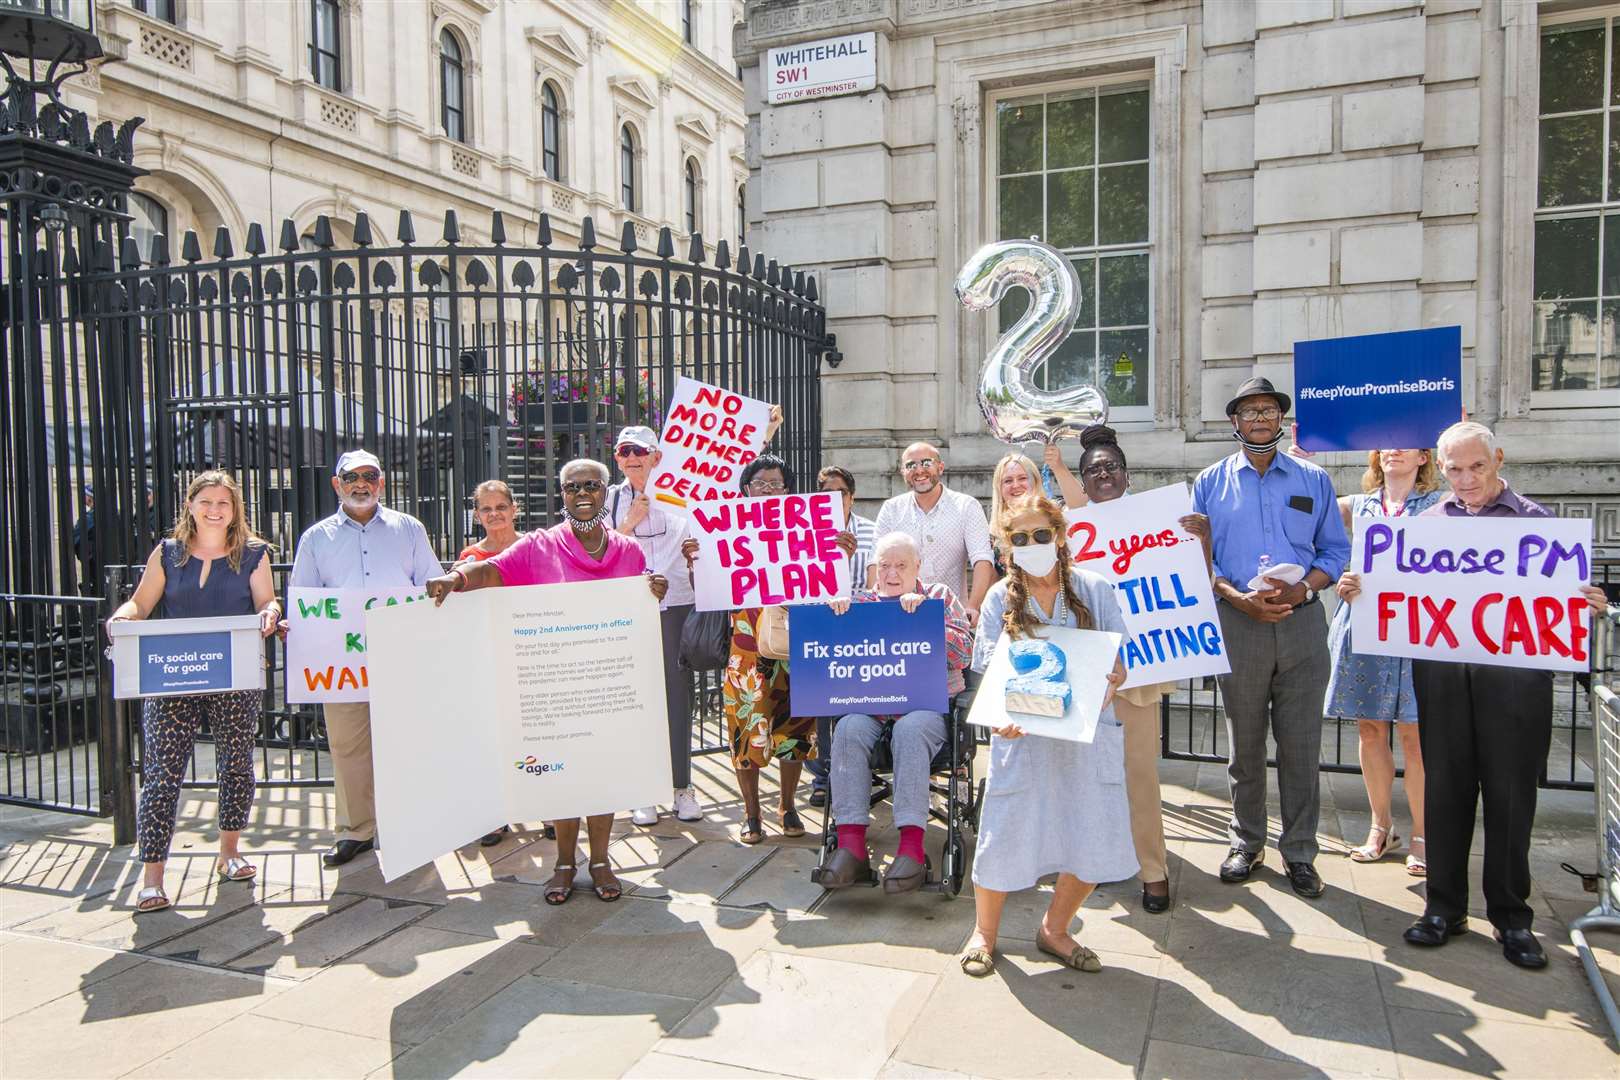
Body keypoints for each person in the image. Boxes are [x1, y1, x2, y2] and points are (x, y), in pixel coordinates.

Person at [1339, 422, 1610, 968]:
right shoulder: (1429, 524)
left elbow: (1558, 599)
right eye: (1455, 469)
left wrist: (1585, 602)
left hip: (1514, 684)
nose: (1464, 479)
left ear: (1498, 460)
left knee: (1511, 798)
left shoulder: (1536, 523)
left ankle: (1511, 918)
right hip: (1443, 680)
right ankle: (1443, 907)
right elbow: (1396, 595)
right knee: (1444, 790)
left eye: (1475, 467)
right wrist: (1359, 588)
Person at [425, 458, 670, 905]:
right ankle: (563, 863)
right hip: (555, 689)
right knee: (562, 777)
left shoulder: (629, 551)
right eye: (572, 487)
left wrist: (653, 589)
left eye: (591, 486)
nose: (582, 493)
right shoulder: (539, 546)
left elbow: (638, 605)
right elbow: (492, 570)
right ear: (561, 496)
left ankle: (599, 861)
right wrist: (456, 577)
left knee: (602, 774)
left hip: (607, 684)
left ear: (604, 492)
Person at [960, 494, 1133, 977]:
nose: (1032, 544)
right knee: (1006, 833)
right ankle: (984, 934)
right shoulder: (998, 597)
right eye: (1019, 538)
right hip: (1023, 738)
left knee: (1091, 836)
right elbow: (989, 667)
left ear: (1059, 536)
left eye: (1040, 534)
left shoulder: (1095, 589)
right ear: (1006, 548)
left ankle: (1055, 929)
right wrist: (998, 715)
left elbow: (1119, 656)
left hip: (1085, 737)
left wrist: (1115, 672)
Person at [1192, 376, 1350, 899]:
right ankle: (1247, 841)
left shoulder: (1313, 479)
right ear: (1234, 422)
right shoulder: (1209, 483)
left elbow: (1335, 552)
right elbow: (1197, 559)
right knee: (1245, 745)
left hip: (1302, 624)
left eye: (1268, 410)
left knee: (1302, 745)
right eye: (1249, 411)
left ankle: (1301, 851)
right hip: (1238, 625)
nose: (1260, 418)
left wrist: (1305, 589)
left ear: (1281, 420)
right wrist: (1235, 598)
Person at [109, 470, 281, 914]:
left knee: (237, 765)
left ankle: (229, 853)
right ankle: (153, 878)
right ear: (190, 504)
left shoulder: (254, 554)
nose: (214, 509)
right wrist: (123, 618)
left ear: (235, 509)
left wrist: (270, 613)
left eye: (223, 503)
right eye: (206, 501)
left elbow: (266, 601)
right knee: (162, 773)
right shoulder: (167, 554)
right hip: (172, 675)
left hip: (235, 674)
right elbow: (141, 603)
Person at [684, 453, 856, 845]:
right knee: (748, 732)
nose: (768, 490)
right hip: (745, 651)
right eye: (761, 483)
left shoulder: (807, 528)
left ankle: (787, 805)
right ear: (746, 489)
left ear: (788, 490)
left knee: (795, 731)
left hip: (793, 646)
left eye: (777, 484)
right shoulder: (726, 531)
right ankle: (751, 813)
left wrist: (842, 553)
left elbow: (830, 585)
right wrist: (696, 561)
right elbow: (706, 591)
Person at [1073, 425, 1209, 914]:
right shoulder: (1070, 532)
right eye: (1093, 470)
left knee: (1139, 776)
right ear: (1083, 483)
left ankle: (1153, 871)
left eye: (1110, 467)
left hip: (1137, 672)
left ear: (1125, 475)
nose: (1103, 474)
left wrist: (1202, 542)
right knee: (1087, 779)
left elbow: (1195, 585)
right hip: (1086, 674)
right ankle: (1098, 862)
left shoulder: (1160, 524)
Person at [287, 450, 442, 867]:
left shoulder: (409, 529)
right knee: (347, 745)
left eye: (369, 475)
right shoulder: (316, 538)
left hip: (400, 657)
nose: (361, 483)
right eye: (351, 476)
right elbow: (305, 598)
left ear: (382, 481)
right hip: (341, 664)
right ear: (336, 484)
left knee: (404, 743)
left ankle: (406, 825)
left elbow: (430, 583)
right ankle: (356, 830)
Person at [819, 531, 972, 893]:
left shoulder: (938, 597)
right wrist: (835, 618)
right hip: (871, 711)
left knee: (911, 730)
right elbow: (827, 660)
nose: (890, 573)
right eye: (884, 565)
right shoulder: (859, 602)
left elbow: (964, 653)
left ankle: (911, 849)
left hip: (925, 709)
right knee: (847, 730)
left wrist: (924, 621)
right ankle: (851, 845)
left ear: (917, 566)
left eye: (900, 565)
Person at [1324, 449, 1444, 875]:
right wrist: (1339, 574)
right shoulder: (1356, 506)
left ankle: (1422, 835)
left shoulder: (1440, 507)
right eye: (1386, 443)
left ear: (1423, 456)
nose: (1394, 450)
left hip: (1418, 634)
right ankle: (1381, 828)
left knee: (1415, 737)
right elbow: (1307, 527)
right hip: (1366, 628)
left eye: (1405, 443)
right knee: (1370, 730)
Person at [605, 425, 703, 826]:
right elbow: (598, 548)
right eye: (624, 452)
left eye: (639, 451)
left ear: (657, 456)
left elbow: (712, 533)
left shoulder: (687, 492)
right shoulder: (608, 498)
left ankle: (682, 787)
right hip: (628, 609)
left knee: (677, 698)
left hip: (676, 605)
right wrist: (628, 522)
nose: (631, 458)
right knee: (634, 699)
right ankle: (643, 790)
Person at [456, 479, 524, 848]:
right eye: (486, 508)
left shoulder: (534, 546)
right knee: (493, 737)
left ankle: (546, 806)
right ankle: (494, 815)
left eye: (501, 506)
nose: (494, 514)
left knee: (532, 734)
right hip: (488, 655)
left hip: (531, 654)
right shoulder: (469, 557)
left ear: (514, 509)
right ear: (477, 514)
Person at [807, 464, 878, 808]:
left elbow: (876, 584)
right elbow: (801, 581)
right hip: (820, 631)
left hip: (858, 630)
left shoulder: (871, 531)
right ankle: (822, 778)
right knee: (819, 708)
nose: (832, 500)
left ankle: (854, 774)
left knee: (853, 709)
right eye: (824, 493)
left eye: (839, 493)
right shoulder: (804, 531)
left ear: (852, 496)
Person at [872, 442, 996, 625]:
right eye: (911, 465)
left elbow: (983, 558)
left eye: (926, 463)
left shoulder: (966, 506)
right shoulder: (891, 509)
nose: (919, 470)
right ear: (903, 472)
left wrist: (973, 606)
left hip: (950, 617)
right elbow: (875, 562)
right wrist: (872, 609)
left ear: (940, 467)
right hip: (897, 615)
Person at [72, 485, 96, 595]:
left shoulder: (88, 518)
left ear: (90, 498)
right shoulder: (116, 514)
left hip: (93, 568)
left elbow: (75, 540)